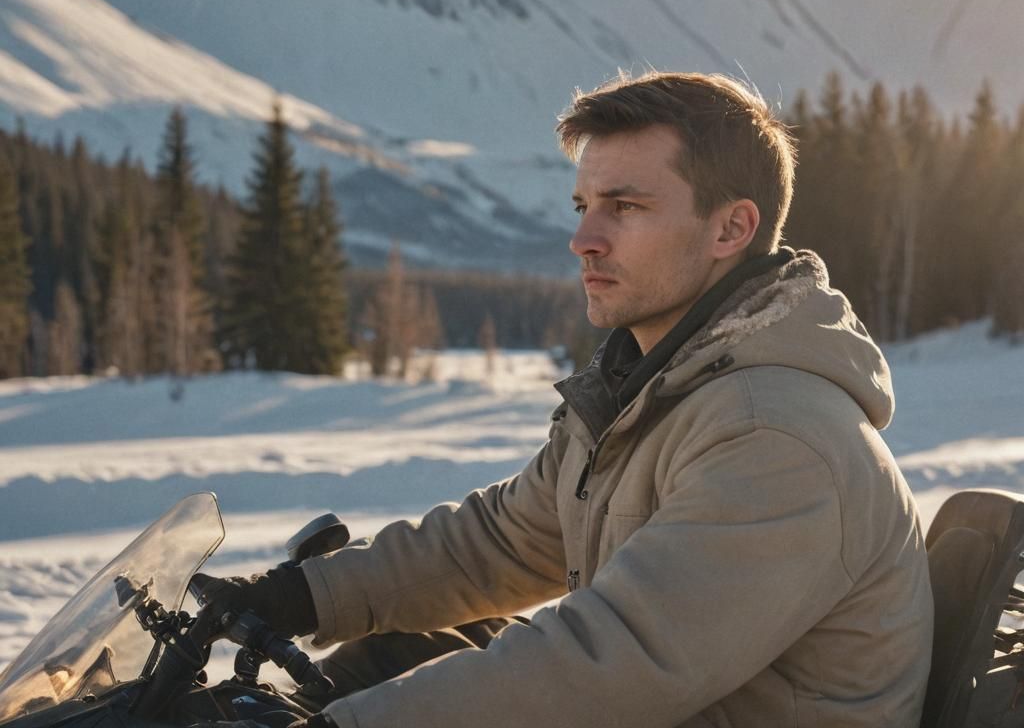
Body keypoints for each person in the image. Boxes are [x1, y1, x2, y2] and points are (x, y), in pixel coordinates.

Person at [198, 72, 934, 728]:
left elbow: (610, 664)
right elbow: (499, 543)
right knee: (392, 657)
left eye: (625, 206)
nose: (584, 237)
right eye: (584, 205)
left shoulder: (776, 435)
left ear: (731, 228)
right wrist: (301, 595)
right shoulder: (648, 392)